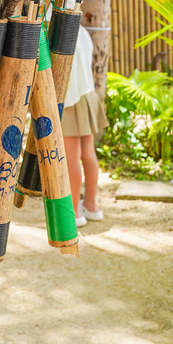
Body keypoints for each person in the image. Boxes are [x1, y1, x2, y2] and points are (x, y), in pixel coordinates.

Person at [60, 22, 108, 227]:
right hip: (88, 95)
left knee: (72, 157)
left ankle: (74, 212)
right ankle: (91, 206)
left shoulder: (60, 32)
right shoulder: (81, 31)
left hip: (72, 99)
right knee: (88, 153)